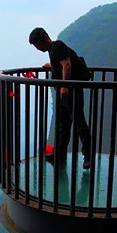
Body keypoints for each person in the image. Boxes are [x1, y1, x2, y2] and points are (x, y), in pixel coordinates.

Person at [28, 27, 91, 169]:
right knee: (64, 124)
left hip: (70, 91)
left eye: (38, 45)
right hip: (65, 92)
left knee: (79, 122)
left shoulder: (58, 45)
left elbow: (67, 64)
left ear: (45, 37)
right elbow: (61, 63)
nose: (38, 49)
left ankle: (88, 155)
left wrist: (64, 86)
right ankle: (60, 155)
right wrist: (51, 66)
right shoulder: (53, 50)